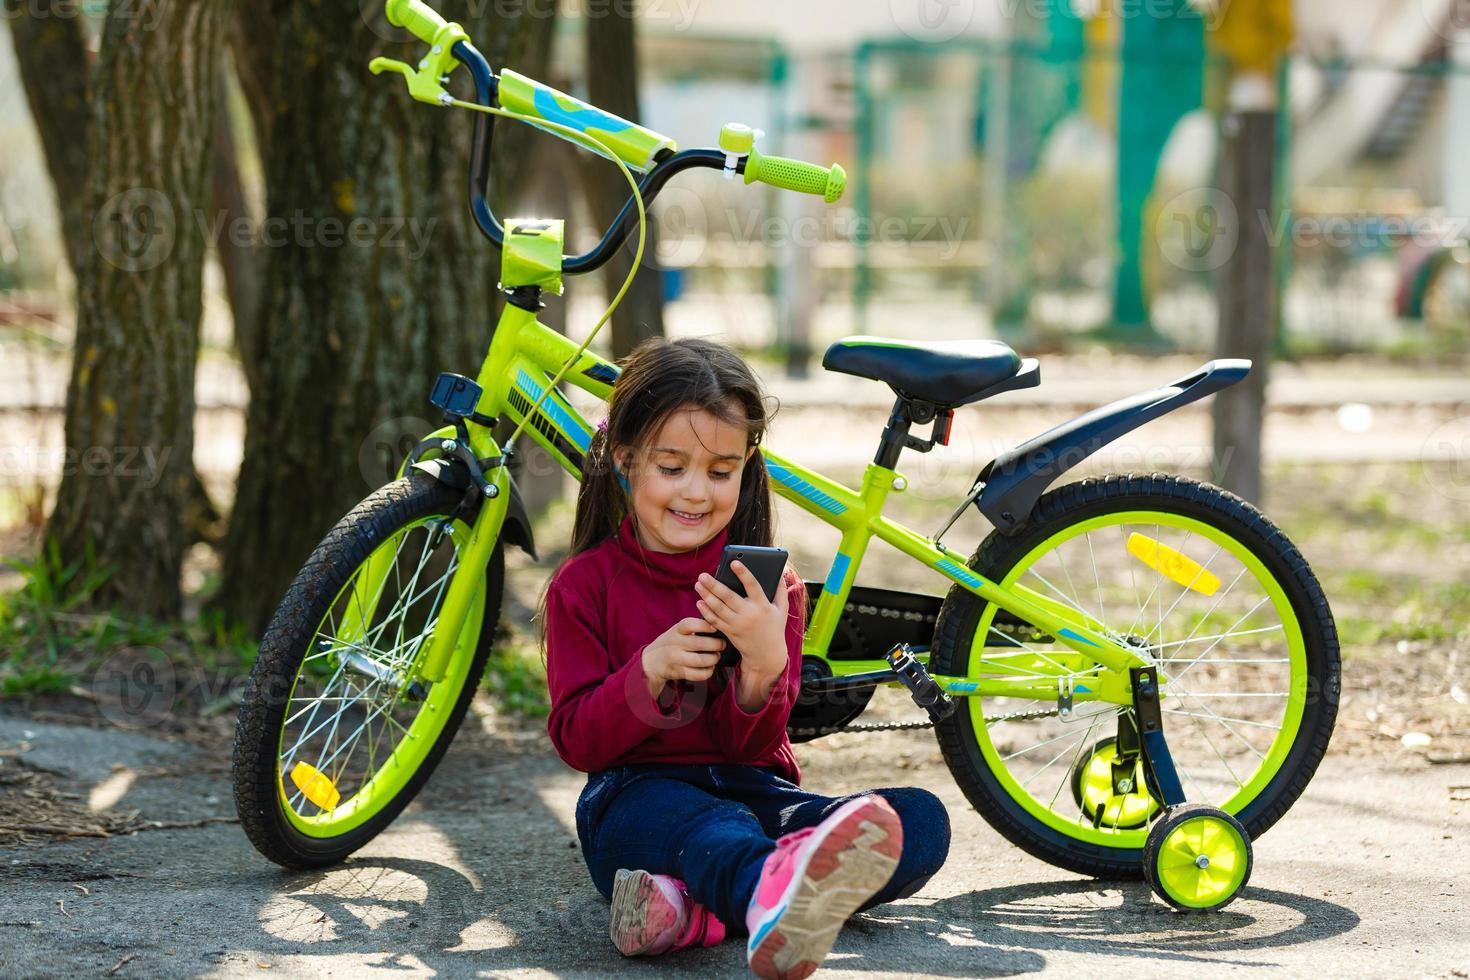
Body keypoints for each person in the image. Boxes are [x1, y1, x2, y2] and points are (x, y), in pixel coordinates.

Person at [536, 337, 951, 979]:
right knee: (711, 829)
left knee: (919, 821)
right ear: (624, 461)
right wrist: (645, 672)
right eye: (671, 468)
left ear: (745, 466)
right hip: (636, 806)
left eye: (720, 471)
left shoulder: (769, 589)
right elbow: (577, 743)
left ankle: (696, 912)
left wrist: (761, 668)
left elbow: (751, 751)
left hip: (752, 792)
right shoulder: (585, 586)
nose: (696, 493)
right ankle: (766, 886)